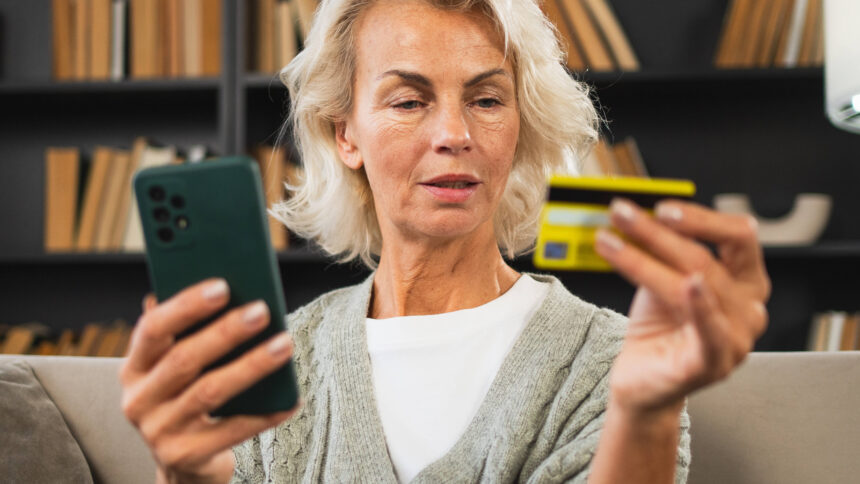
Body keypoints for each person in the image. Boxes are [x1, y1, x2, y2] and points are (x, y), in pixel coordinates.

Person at [119, 0, 771, 482]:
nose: (454, 133)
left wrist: (645, 416)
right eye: (408, 102)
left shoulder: (609, 362)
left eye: (487, 100)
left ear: (521, 127)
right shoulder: (272, 365)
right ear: (345, 134)